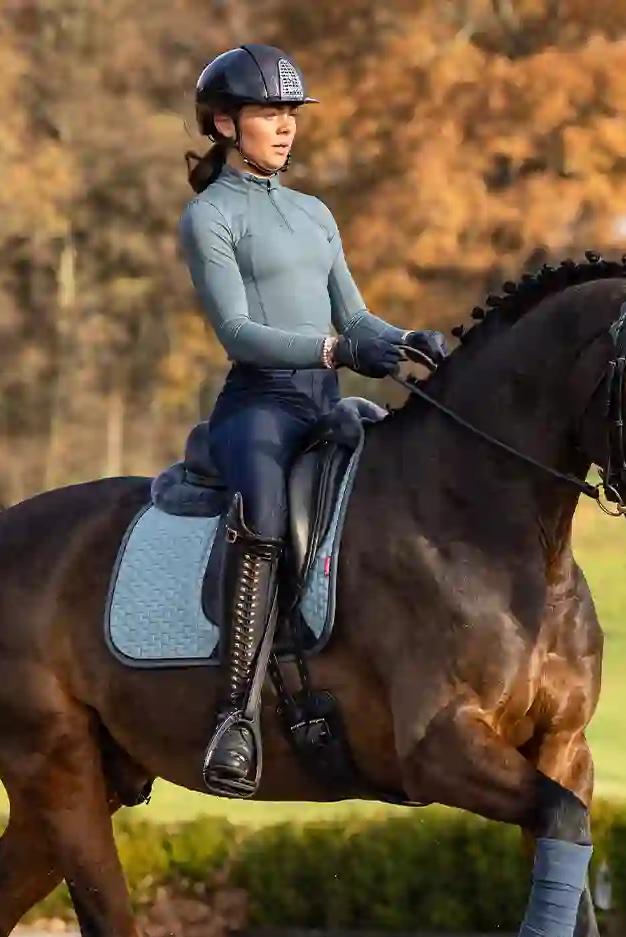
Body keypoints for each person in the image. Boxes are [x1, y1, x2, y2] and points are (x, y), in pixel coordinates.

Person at [178, 43, 449, 799]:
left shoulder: (314, 213)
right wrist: (335, 349)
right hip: (259, 406)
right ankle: (235, 716)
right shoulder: (209, 217)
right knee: (263, 512)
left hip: (325, 401)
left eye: (291, 113)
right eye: (270, 113)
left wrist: (407, 340)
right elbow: (238, 332)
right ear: (225, 123)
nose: (286, 126)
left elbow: (355, 316)